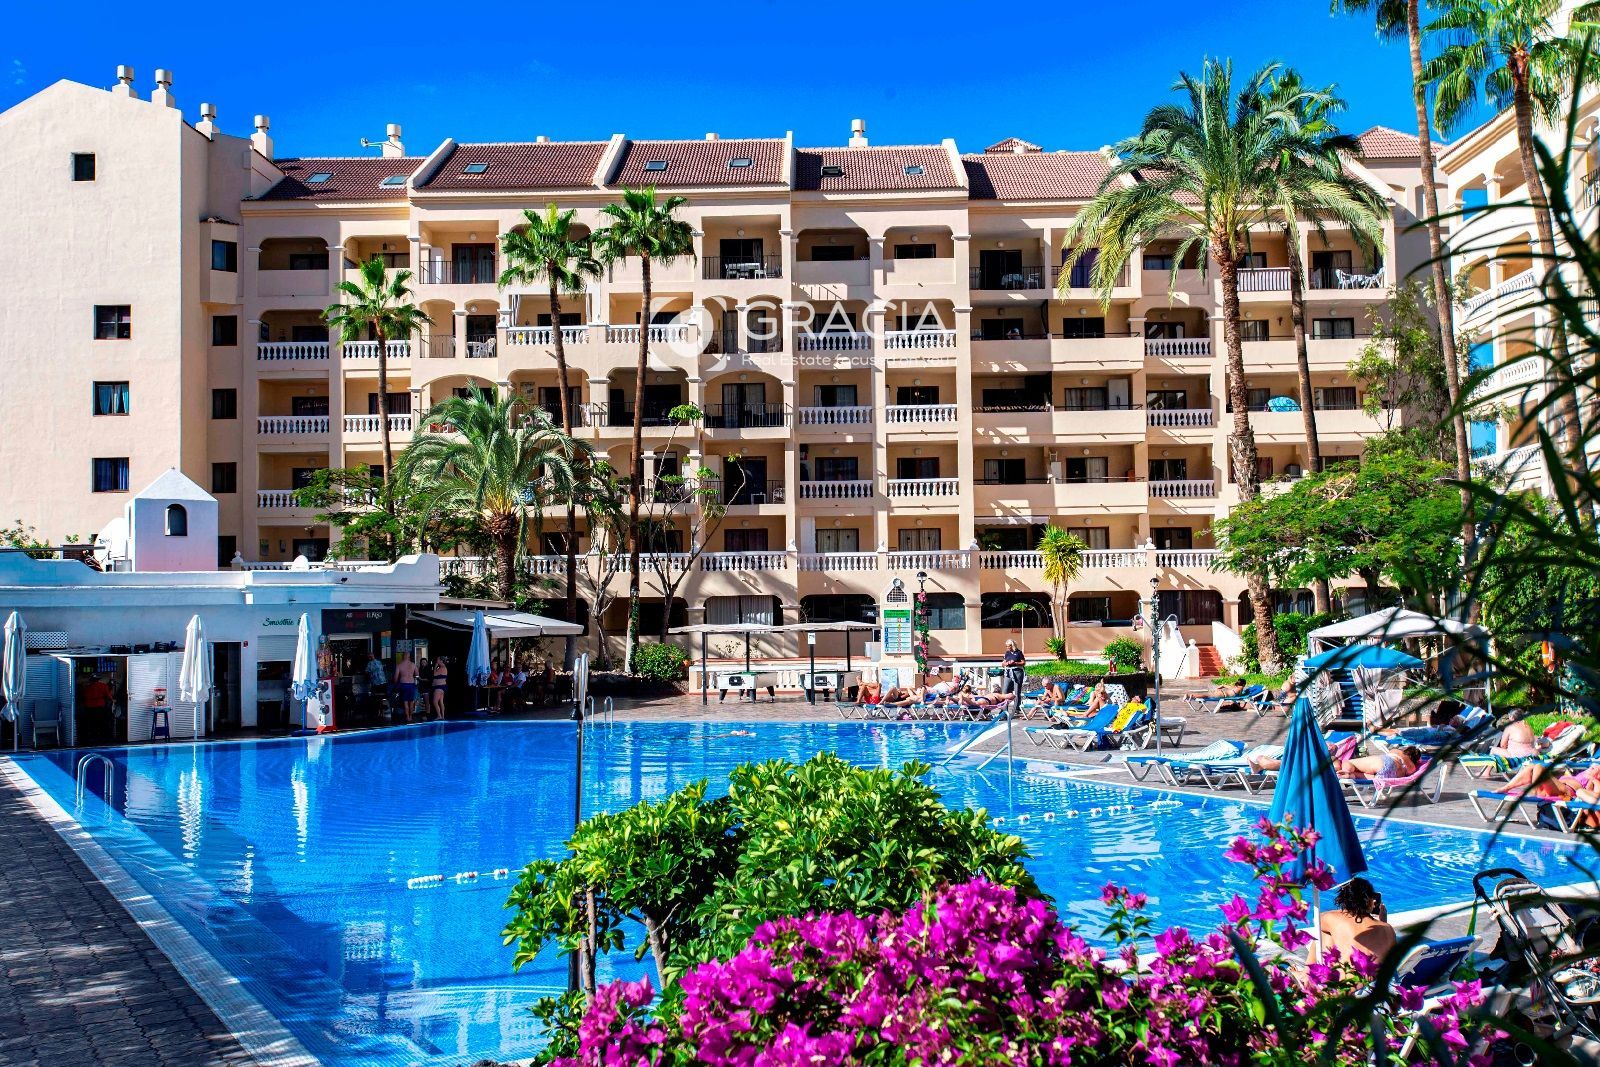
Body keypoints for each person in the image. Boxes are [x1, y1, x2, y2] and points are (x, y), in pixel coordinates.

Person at [1310, 878, 1395, 965]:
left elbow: (1316, 920)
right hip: (1378, 974)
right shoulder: (1388, 928)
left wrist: (1342, 912)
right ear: (1369, 900)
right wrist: (1383, 921)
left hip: (1348, 973)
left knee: (1323, 931)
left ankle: (1308, 969)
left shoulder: (1333, 919)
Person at [1337, 745, 1420, 780]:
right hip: (1391, 776)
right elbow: (1410, 773)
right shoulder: (1412, 767)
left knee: (1349, 762)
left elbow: (1389, 755)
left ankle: (1346, 771)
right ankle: (1351, 775)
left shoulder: (1397, 751)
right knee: (1375, 777)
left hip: (1386, 762)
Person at [1000, 639, 1026, 713]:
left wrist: (1015, 662)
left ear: (1012, 645)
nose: (1007, 647)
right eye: (1006, 646)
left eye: (1009, 646)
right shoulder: (1007, 653)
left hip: (1017, 672)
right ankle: (1004, 709)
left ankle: (1017, 708)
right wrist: (1006, 663)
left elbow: (1023, 662)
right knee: (1005, 690)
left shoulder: (1018, 652)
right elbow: (1003, 663)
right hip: (1008, 672)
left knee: (1017, 691)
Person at [393, 653, 419, 723]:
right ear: (409, 657)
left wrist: (396, 684)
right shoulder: (413, 664)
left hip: (403, 684)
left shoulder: (399, 665)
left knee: (405, 702)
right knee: (411, 701)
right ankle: (411, 717)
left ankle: (407, 717)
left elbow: (395, 678)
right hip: (411, 684)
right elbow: (417, 675)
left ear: (403, 657)